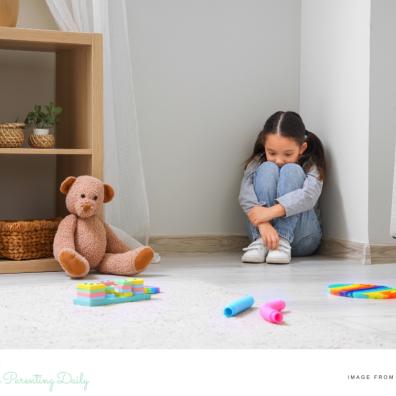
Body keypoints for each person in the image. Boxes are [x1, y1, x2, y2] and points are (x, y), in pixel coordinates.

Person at [239, 111, 326, 264]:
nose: (279, 160)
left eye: (288, 154)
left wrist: (270, 212)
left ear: (302, 148)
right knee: (267, 167)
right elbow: (245, 195)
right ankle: (262, 241)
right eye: (271, 152)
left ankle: (283, 241)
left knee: (291, 170)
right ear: (264, 146)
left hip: (303, 238)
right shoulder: (258, 161)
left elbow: (309, 195)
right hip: (263, 234)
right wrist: (263, 223)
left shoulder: (311, 163)